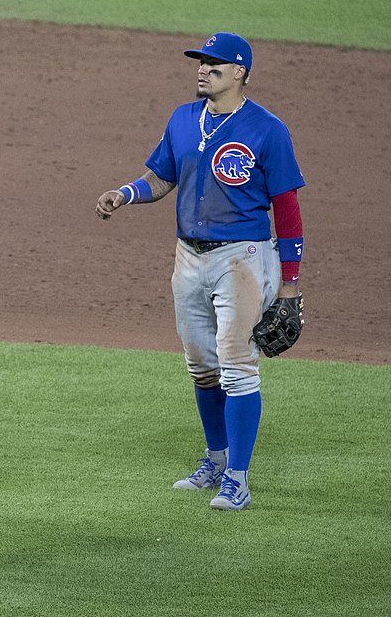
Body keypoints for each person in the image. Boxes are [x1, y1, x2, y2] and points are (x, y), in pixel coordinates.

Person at [95, 32, 305, 511]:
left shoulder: (266, 129)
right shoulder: (184, 119)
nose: (203, 69)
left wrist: (290, 284)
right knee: (201, 366)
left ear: (240, 73)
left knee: (237, 365)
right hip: (187, 256)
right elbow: (161, 176)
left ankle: (238, 478)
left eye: (214, 64)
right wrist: (124, 194)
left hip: (242, 259)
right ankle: (215, 459)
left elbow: (288, 210)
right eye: (200, 62)